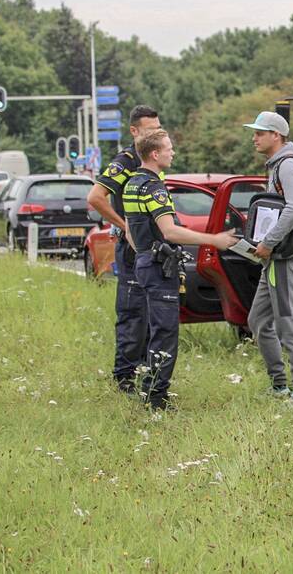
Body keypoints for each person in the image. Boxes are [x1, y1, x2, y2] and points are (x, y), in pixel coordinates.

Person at [123, 129, 237, 410]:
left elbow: (128, 229)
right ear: (155, 154)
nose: (172, 152)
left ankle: (150, 391)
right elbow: (170, 231)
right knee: (165, 333)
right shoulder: (153, 187)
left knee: (153, 330)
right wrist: (215, 240)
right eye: (169, 148)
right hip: (159, 267)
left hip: (144, 262)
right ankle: (156, 398)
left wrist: (143, 253)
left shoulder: (132, 183)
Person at [86, 105, 162, 393]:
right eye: (150, 129)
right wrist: (124, 226)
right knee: (132, 314)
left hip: (149, 246)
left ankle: (145, 373)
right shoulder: (126, 161)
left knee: (149, 314)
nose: (156, 133)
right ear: (134, 131)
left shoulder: (152, 161)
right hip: (131, 248)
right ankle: (124, 379)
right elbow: (96, 197)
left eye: (159, 128)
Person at [243, 111, 293, 402]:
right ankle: (278, 385)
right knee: (258, 320)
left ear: (276, 135)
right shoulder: (277, 165)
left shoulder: (288, 165)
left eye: (260, 133)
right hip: (275, 257)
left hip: (285, 257)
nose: (254, 138)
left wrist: (269, 243)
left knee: (288, 321)